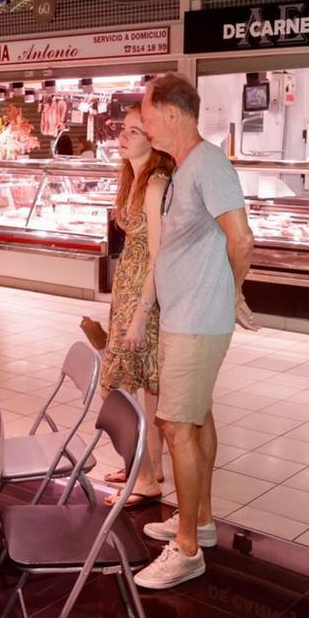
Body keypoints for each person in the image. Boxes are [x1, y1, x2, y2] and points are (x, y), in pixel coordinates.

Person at [134, 74, 255, 591]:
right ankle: (199, 521)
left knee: (175, 425)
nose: (142, 122)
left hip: (198, 320)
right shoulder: (183, 169)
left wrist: (233, 292)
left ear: (172, 113)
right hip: (184, 316)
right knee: (197, 419)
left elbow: (242, 238)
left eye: (147, 112)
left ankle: (185, 549)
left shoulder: (209, 163)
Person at [99, 108, 176, 507]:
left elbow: (159, 256)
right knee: (146, 388)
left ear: (152, 139)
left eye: (134, 131)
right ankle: (147, 467)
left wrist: (140, 316)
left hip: (144, 296)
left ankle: (145, 479)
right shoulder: (131, 178)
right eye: (122, 131)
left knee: (116, 387)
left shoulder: (155, 185)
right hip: (128, 290)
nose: (123, 138)